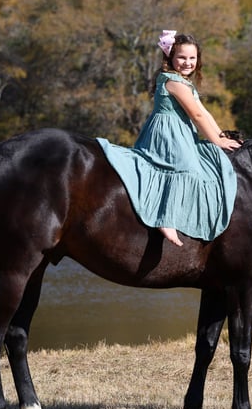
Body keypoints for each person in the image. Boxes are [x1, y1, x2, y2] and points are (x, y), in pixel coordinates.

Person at [97, 31, 241, 247]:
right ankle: (165, 218)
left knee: (202, 160)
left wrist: (221, 136)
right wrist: (217, 141)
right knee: (186, 167)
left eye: (192, 58)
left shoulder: (185, 82)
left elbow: (204, 112)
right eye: (182, 57)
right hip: (166, 134)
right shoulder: (172, 81)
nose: (187, 62)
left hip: (181, 133)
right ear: (171, 58)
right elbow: (196, 115)